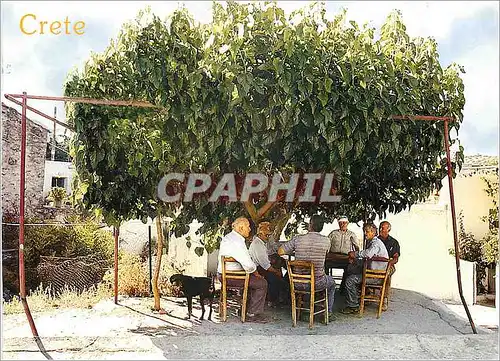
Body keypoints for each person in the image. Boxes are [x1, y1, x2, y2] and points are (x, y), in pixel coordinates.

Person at [278, 215, 336, 316]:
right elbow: (325, 255)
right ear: (321, 227)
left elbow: (280, 251)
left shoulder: (298, 239)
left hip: (297, 283)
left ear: (310, 225)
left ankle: (304, 309)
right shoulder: (326, 241)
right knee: (332, 283)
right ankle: (328, 313)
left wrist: (295, 253)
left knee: (307, 282)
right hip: (317, 283)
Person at [217, 217, 268, 319]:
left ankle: (244, 309)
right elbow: (248, 265)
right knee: (262, 283)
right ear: (240, 228)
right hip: (231, 276)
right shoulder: (238, 241)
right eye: (248, 227)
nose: (249, 229)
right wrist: (256, 272)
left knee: (253, 281)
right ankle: (252, 313)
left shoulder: (229, 237)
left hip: (222, 274)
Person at [341, 223, 389, 314]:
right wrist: (355, 261)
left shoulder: (375, 244)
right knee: (350, 270)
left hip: (375, 277)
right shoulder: (374, 242)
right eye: (365, 232)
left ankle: (353, 305)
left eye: (367, 232)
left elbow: (367, 254)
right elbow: (367, 260)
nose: (365, 234)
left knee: (350, 280)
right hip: (374, 274)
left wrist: (354, 254)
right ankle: (355, 297)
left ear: (373, 233)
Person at [248, 222, 288, 306]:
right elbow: (266, 266)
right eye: (266, 235)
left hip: (260, 267)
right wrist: (277, 272)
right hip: (257, 270)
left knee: (279, 269)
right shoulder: (258, 244)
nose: (268, 237)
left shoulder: (260, 243)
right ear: (260, 234)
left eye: (268, 235)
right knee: (276, 279)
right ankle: (273, 301)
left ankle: (276, 299)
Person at [326, 216, 360, 292]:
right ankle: (327, 286)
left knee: (350, 268)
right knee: (324, 266)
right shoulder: (333, 233)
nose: (343, 224)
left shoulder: (352, 234)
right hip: (333, 257)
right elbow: (327, 244)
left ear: (347, 223)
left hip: (345, 257)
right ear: (338, 224)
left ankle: (343, 287)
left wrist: (355, 256)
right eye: (341, 223)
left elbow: (357, 247)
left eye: (344, 222)